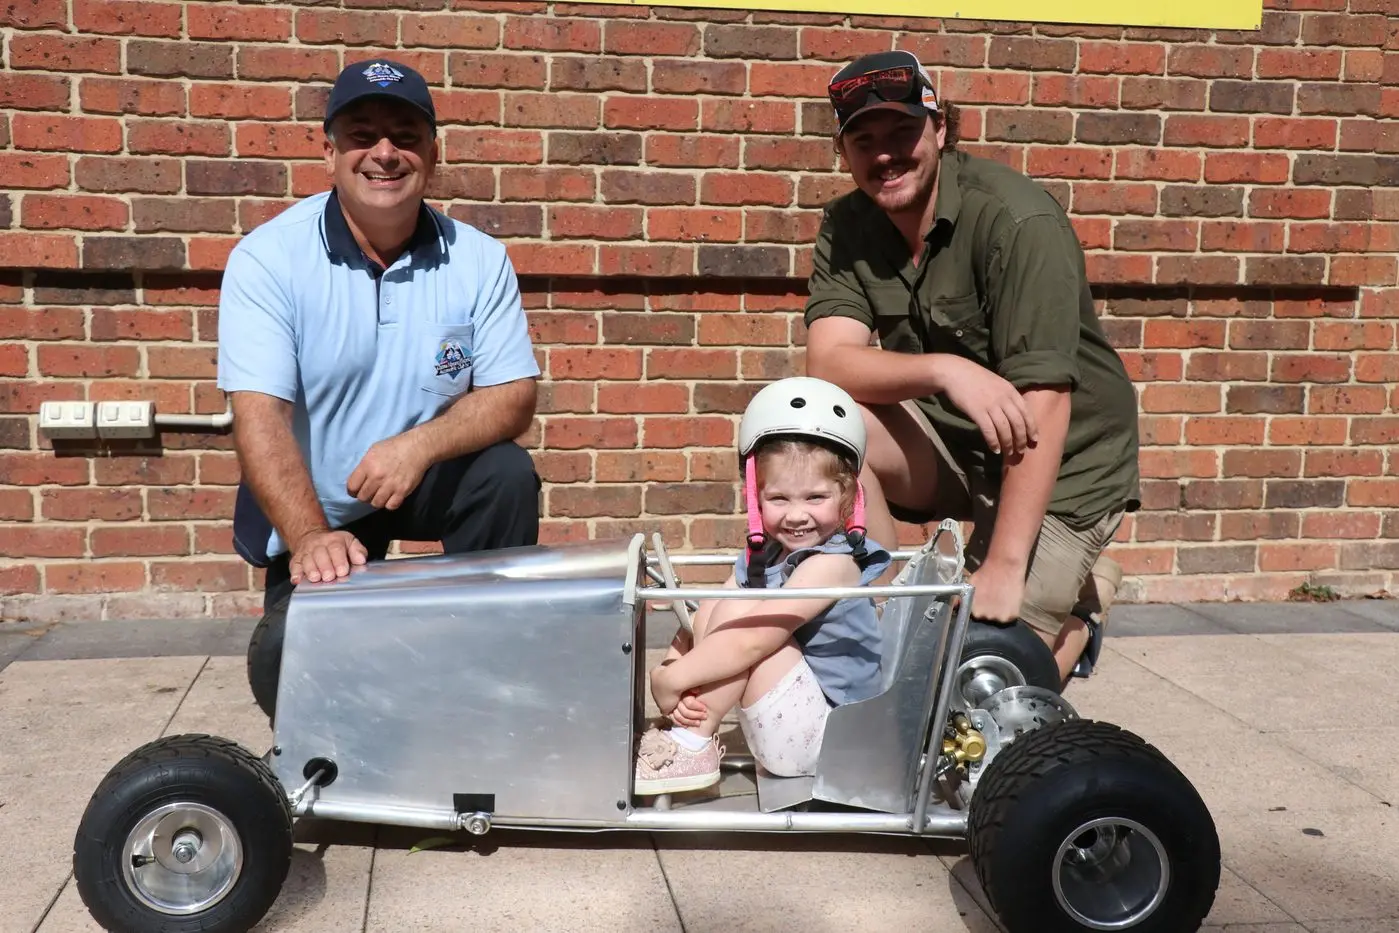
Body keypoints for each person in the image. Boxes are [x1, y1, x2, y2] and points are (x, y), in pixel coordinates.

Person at [802, 50, 1140, 686]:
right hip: (955, 439)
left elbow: (1045, 399)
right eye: (863, 140)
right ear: (843, 151)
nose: (884, 155)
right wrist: (945, 372)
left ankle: (1077, 620)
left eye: (903, 132)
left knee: (987, 668)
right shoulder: (847, 224)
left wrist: (1006, 566)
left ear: (940, 129)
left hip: (1064, 459)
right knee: (821, 420)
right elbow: (828, 362)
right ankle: (882, 603)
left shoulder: (1017, 220)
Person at [216, 58, 542, 614]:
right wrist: (310, 537)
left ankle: (487, 630)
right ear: (329, 154)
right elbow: (260, 416)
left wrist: (417, 446)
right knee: (290, 658)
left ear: (433, 155)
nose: (385, 153)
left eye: (406, 137)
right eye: (362, 136)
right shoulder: (269, 258)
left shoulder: (480, 259)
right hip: (318, 507)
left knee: (505, 474)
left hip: (421, 478)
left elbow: (513, 395)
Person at [634, 377, 892, 796]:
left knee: (745, 615)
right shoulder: (766, 555)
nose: (796, 515)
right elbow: (704, 616)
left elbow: (752, 641)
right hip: (793, 725)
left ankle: (692, 745)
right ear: (756, 498)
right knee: (722, 603)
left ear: (847, 496)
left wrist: (673, 680)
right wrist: (670, 667)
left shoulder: (834, 564)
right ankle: (686, 730)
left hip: (834, 741)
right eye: (779, 499)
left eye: (815, 497)